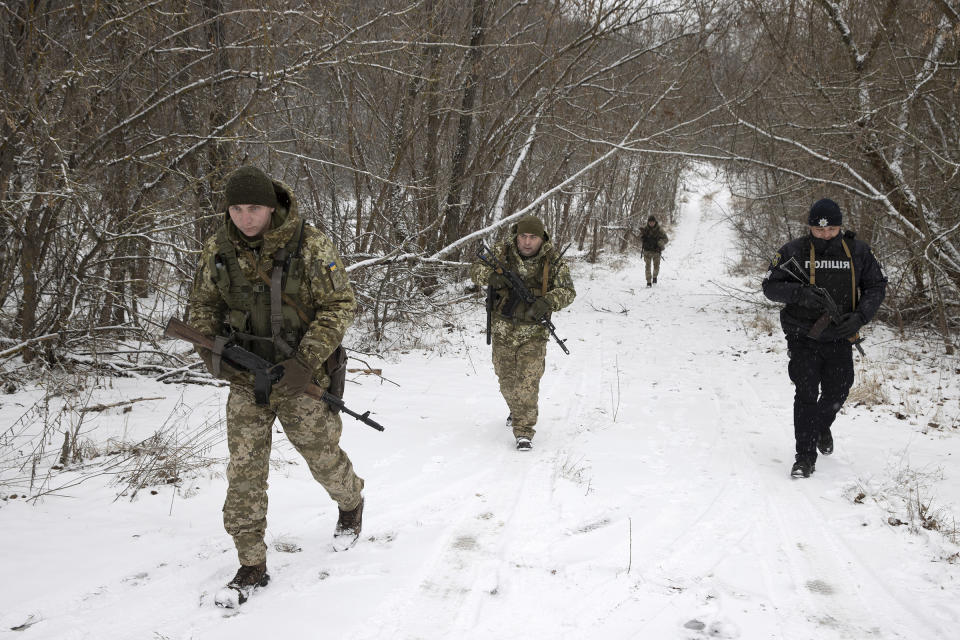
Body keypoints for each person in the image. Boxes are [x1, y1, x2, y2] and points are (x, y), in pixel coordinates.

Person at [188, 166, 365, 604]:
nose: (246, 218)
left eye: (254, 208)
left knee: (323, 458)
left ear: (271, 206)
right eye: (236, 209)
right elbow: (202, 309)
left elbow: (341, 304)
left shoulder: (309, 244)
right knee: (245, 472)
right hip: (246, 379)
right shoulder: (218, 248)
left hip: (299, 378)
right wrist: (216, 359)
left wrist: (306, 360)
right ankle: (251, 563)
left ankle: (351, 503)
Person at [762, 198, 887, 478]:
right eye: (819, 230)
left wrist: (860, 317)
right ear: (809, 227)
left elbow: (877, 286)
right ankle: (804, 457)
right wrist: (800, 294)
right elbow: (770, 286)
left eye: (831, 230)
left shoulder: (857, 251)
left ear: (840, 227)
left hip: (840, 334)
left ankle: (820, 426)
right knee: (806, 392)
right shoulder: (793, 251)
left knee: (838, 390)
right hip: (802, 334)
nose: (825, 234)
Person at [470, 215, 576, 451]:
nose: (527, 242)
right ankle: (516, 409)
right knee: (506, 380)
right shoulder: (501, 251)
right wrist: (492, 277)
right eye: (523, 237)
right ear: (517, 236)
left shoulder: (553, 260)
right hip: (502, 329)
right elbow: (476, 270)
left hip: (534, 333)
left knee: (527, 382)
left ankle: (524, 431)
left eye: (533, 237)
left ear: (542, 238)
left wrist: (548, 301)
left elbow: (568, 291)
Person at [640, 216, 668, 286]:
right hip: (647, 251)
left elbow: (666, 239)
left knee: (656, 266)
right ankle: (648, 282)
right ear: (648, 222)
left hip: (656, 251)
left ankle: (655, 276)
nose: (651, 223)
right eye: (650, 222)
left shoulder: (659, 230)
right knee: (647, 266)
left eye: (652, 222)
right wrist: (642, 238)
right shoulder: (645, 229)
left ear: (655, 222)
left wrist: (660, 242)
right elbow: (640, 238)